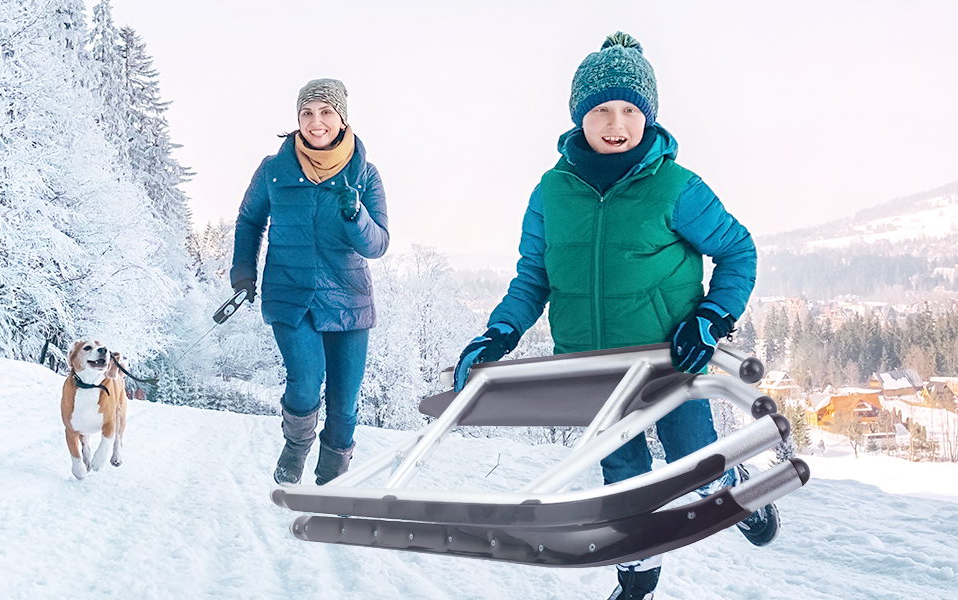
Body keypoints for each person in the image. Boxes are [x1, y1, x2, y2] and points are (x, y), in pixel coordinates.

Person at [450, 33, 774, 600]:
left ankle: (734, 492)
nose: (616, 121)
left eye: (629, 109)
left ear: (647, 115)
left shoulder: (678, 187)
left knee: (693, 464)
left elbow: (738, 250)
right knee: (622, 476)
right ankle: (636, 578)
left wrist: (710, 316)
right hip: (593, 368)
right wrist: (498, 332)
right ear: (581, 118)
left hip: (671, 360)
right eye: (601, 109)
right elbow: (533, 279)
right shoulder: (551, 192)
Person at [231, 78, 389, 486]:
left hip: (349, 300)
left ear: (341, 119)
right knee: (305, 379)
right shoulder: (274, 169)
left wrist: (357, 218)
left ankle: (332, 478)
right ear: (297, 119)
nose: (315, 121)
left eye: (325, 112)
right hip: (290, 294)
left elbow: (378, 245)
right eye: (307, 113)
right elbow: (250, 220)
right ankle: (297, 445)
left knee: (344, 402)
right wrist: (244, 271)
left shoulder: (365, 175)